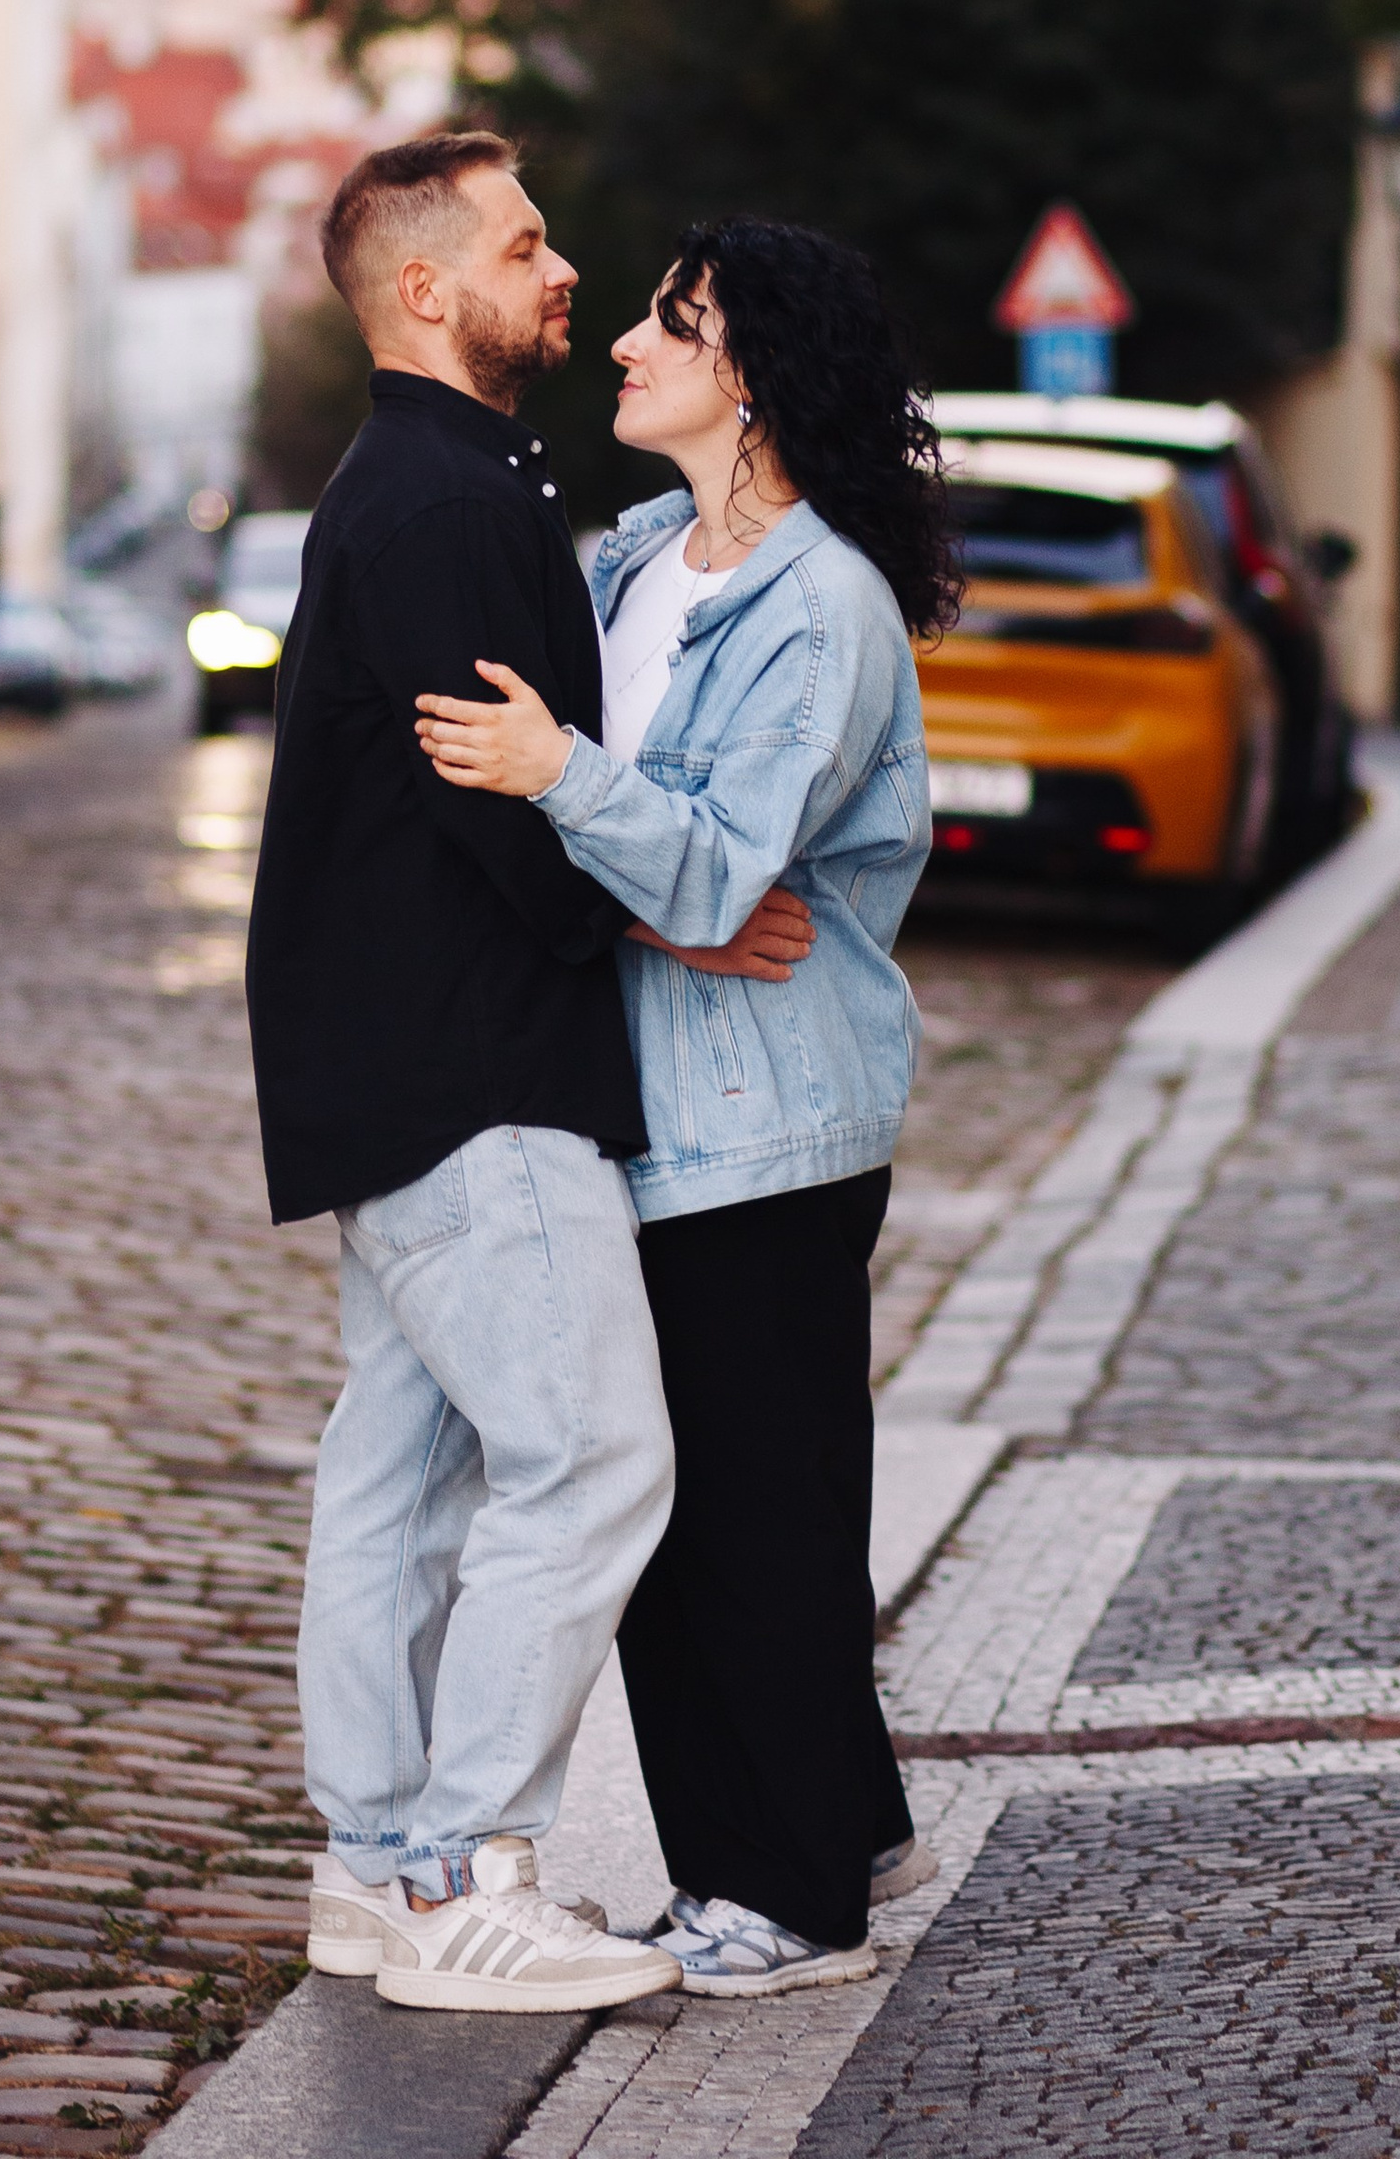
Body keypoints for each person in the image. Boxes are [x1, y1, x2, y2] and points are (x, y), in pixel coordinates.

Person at [246, 133, 814, 2016]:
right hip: (478, 1072)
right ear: (426, 290)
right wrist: (668, 920)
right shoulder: (445, 505)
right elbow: (495, 800)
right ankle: (472, 1868)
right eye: (525, 242)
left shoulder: (432, 483)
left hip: (396, 1068)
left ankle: (367, 1860)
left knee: (400, 1481)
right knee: (588, 1461)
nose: (561, 268)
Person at [416, 217, 953, 1996]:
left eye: (675, 322)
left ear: (754, 379)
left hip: (767, 1128)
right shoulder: (639, 557)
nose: (629, 343)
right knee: (699, 1499)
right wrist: (636, 885)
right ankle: (837, 1818)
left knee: (751, 1515)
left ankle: (786, 1899)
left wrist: (572, 788)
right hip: (644, 1105)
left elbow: (726, 876)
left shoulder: (825, 606)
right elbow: (680, 885)